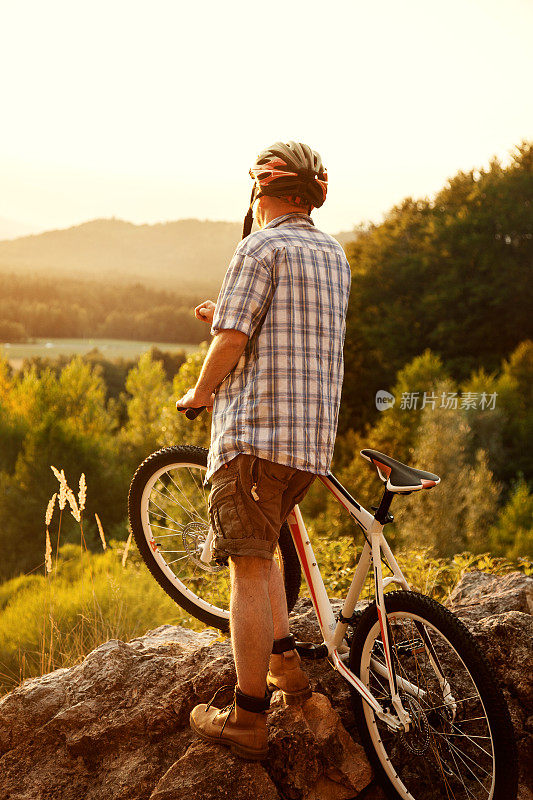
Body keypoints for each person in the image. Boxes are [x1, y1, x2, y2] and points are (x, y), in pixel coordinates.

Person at [175, 141, 351, 759]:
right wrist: (224, 316)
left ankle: (247, 720)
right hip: (309, 445)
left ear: (264, 190)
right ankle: (285, 665)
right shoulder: (332, 253)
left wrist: (199, 392)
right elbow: (292, 331)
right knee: (268, 550)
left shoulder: (259, 246)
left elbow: (234, 338)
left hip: (255, 437)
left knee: (248, 565)